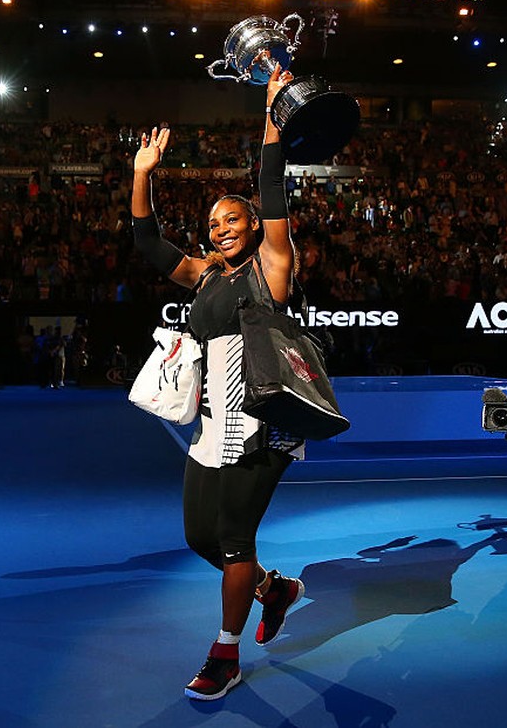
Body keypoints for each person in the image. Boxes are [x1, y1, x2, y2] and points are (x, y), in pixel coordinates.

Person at [130, 65, 305, 701]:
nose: (220, 226)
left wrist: (272, 112)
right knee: (199, 537)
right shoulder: (205, 277)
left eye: (232, 218)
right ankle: (273, 589)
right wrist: (144, 174)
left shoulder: (272, 268)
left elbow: (273, 189)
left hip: (262, 423)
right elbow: (148, 242)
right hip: (211, 426)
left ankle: (224, 654)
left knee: (233, 539)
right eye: (213, 222)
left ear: (254, 225)